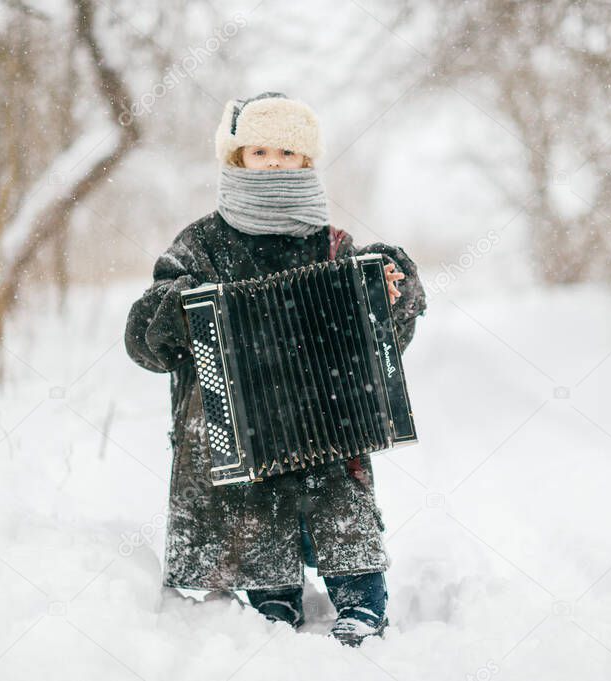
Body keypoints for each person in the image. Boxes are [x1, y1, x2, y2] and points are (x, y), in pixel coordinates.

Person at [124, 92, 427, 646]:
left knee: (339, 496)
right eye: (259, 149)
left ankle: (362, 599)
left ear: (306, 161)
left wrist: (392, 295)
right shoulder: (201, 244)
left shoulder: (331, 245)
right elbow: (146, 343)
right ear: (237, 158)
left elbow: (385, 339)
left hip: (324, 409)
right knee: (252, 503)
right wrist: (180, 310)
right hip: (238, 413)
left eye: (287, 151)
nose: (272, 162)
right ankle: (273, 597)